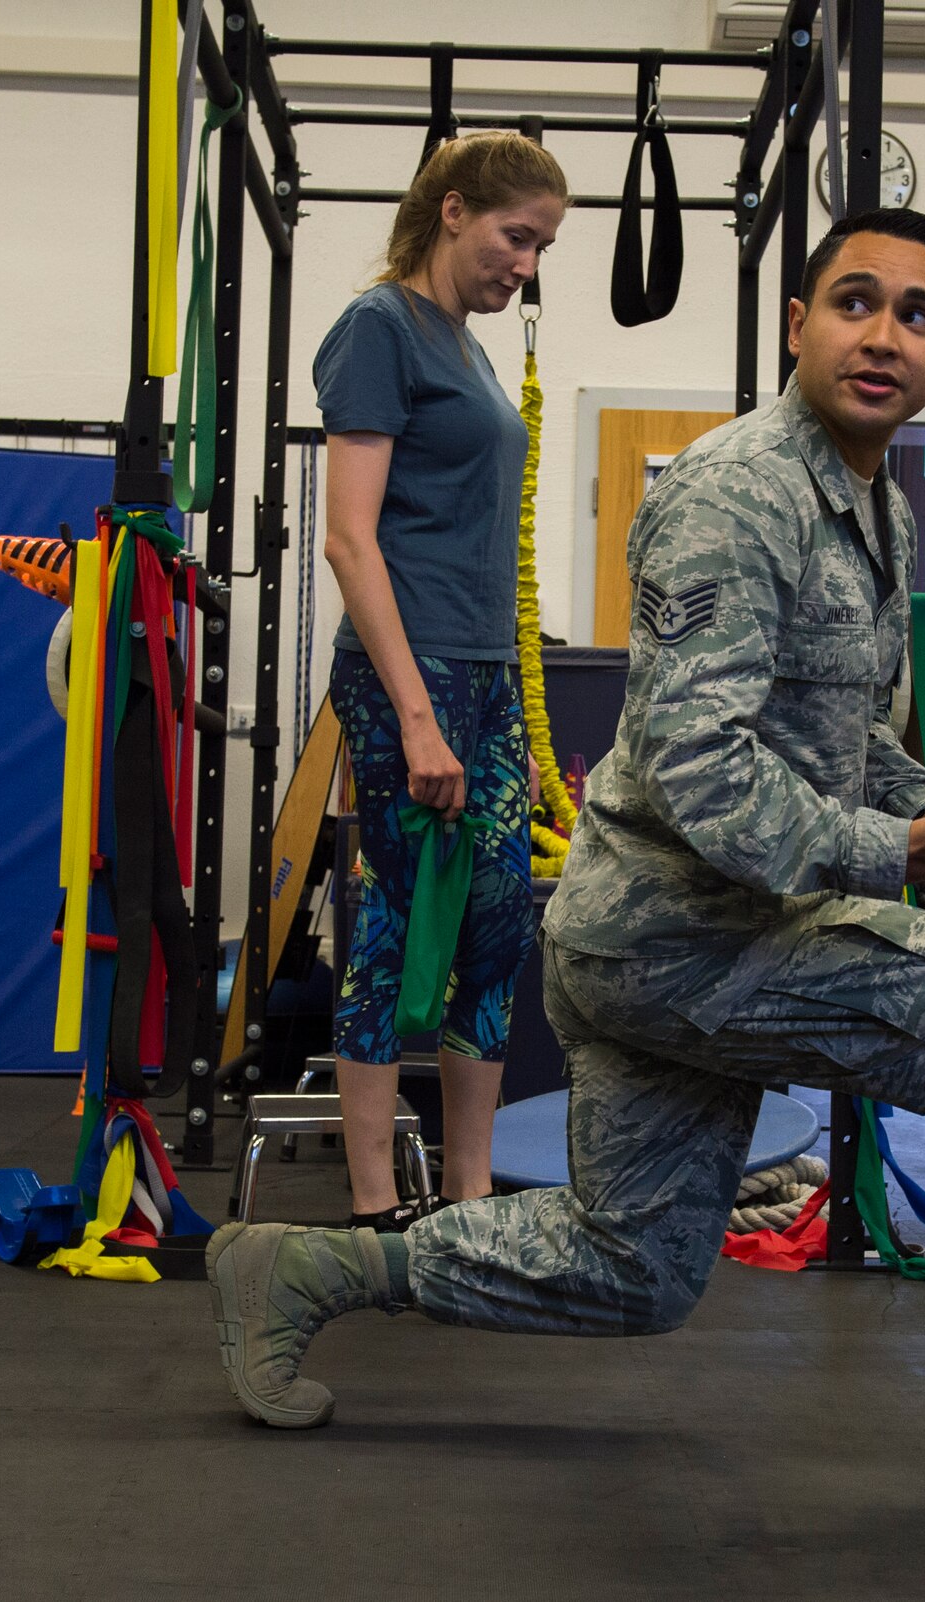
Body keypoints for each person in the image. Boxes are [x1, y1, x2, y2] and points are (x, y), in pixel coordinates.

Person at [209, 207, 925, 1497]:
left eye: (916, 316)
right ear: (797, 325)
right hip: (683, 937)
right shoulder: (741, 493)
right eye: (854, 302)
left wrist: (923, 807)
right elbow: (699, 767)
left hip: (684, 943)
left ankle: (308, 1268)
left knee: (633, 1270)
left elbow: (837, 735)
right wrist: (878, 846)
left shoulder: (875, 511)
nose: (882, 336)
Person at [314, 132, 568, 1230]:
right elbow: (348, 541)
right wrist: (418, 722)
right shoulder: (379, 329)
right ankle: (375, 1207)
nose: (525, 263)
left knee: (498, 931)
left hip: (487, 675)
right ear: (453, 210)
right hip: (406, 680)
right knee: (395, 924)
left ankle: (470, 1200)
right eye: (517, 236)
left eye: (542, 246)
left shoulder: (464, 346)